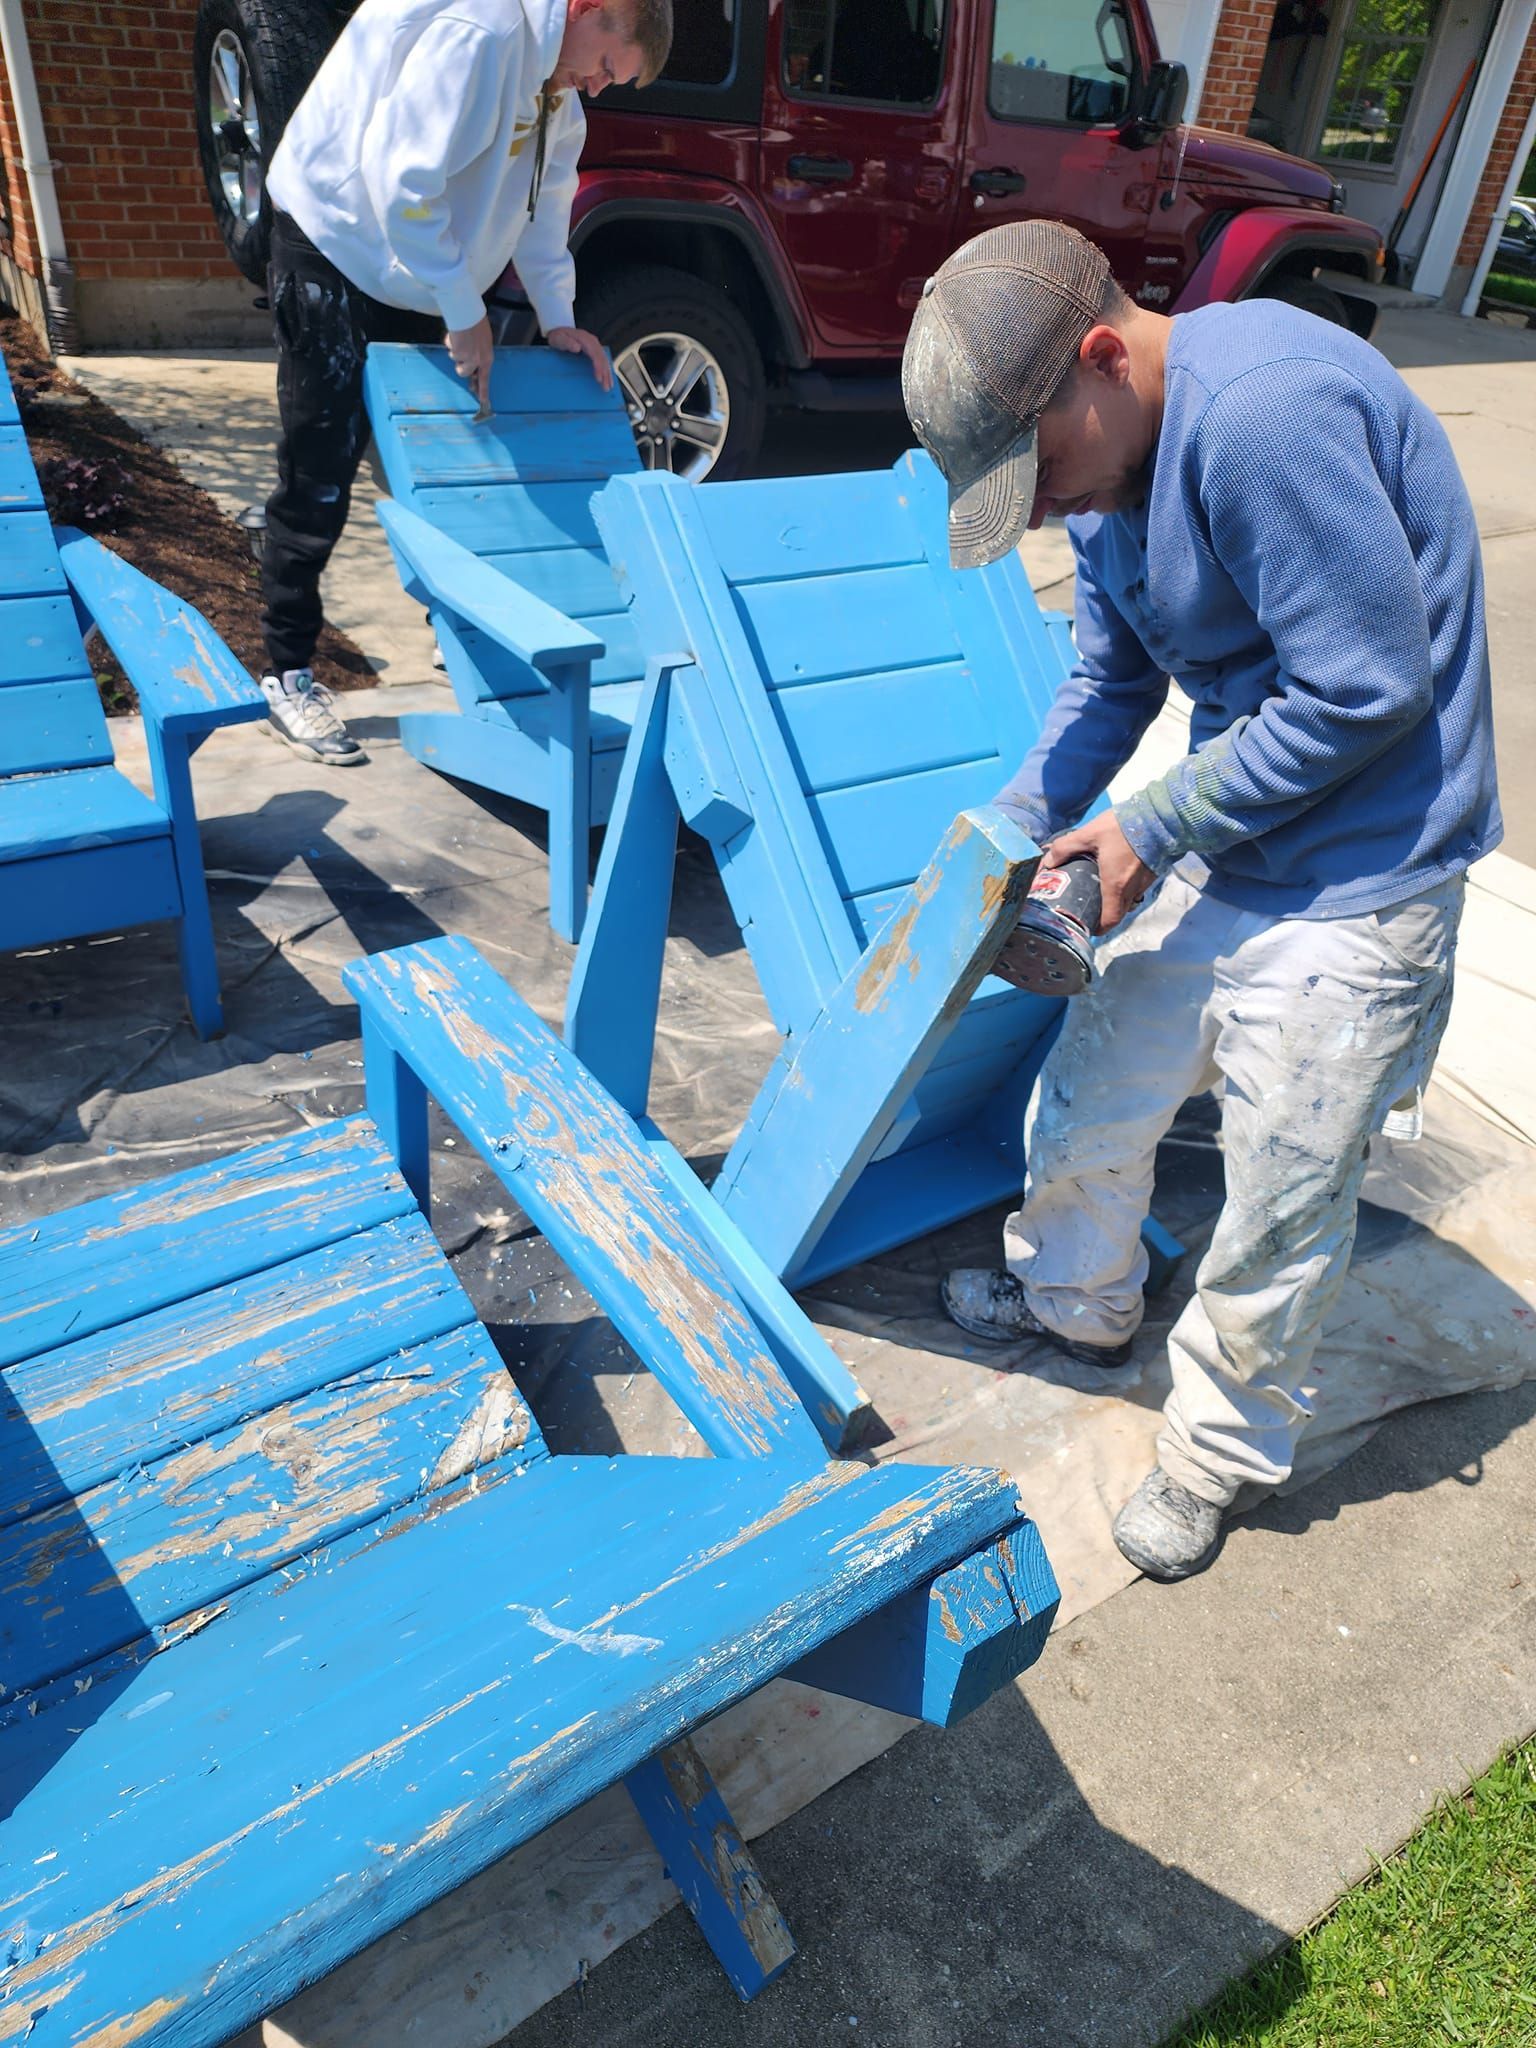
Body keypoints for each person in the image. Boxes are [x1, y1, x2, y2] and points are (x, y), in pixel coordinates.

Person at [900, 220, 1501, 1581]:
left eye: (1037, 469)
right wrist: (1022, 813)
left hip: (1371, 866)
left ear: (1104, 358)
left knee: (1286, 1187)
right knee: (1100, 1082)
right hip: (1245, 827)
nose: (1042, 510)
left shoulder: (1263, 417)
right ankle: (1079, 1306)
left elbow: (1365, 688)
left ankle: (1215, 1452)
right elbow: (1113, 684)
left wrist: (1155, 825)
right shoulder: (1117, 475)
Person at [256, 0, 672, 765]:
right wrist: (462, 307)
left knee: (446, 465)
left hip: (420, 272)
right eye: (609, 66)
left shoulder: (559, 91)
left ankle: (467, 635)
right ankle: (286, 672)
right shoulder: (480, 30)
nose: (602, 87)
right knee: (321, 466)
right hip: (338, 241)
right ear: (590, 8)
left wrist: (557, 319)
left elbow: (546, 212)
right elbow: (401, 183)